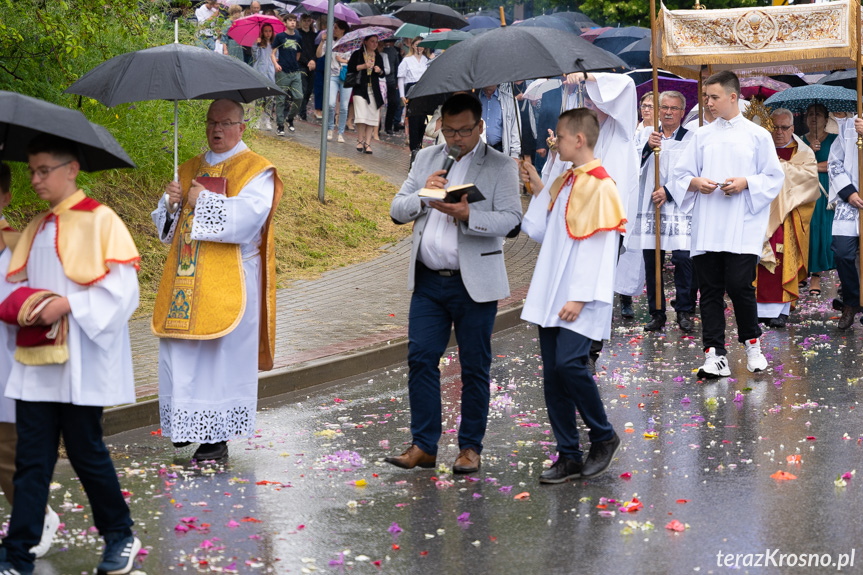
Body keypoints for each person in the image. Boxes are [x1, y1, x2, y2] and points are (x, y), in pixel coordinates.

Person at [0, 135, 142, 575]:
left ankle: (121, 536)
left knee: (87, 453)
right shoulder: (36, 227)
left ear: (71, 169)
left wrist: (69, 304)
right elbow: (13, 284)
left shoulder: (102, 221)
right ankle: (18, 553)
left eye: (44, 171)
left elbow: (123, 293)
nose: (36, 180)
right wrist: (23, 306)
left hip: (80, 360)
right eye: (32, 172)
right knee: (32, 460)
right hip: (37, 361)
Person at [385, 93, 522, 473]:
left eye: (463, 131)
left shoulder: (499, 166)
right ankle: (423, 445)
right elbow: (398, 210)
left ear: (480, 127)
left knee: (474, 366)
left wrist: (468, 214)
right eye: (448, 130)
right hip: (429, 281)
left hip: (473, 284)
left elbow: (512, 220)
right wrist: (424, 195)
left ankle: (469, 448)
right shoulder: (428, 157)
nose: (455, 138)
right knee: (421, 359)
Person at [151, 99, 283, 461]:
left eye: (225, 123)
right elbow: (167, 231)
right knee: (179, 352)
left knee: (217, 358)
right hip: (186, 276)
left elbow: (249, 220)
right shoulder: (190, 165)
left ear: (242, 127)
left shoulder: (257, 169)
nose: (217, 130)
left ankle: (215, 439)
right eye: (211, 122)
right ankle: (184, 424)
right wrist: (173, 204)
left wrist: (203, 199)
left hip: (231, 277)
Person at [520, 108, 623, 483]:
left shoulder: (601, 185)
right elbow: (545, 233)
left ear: (579, 139)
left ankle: (603, 435)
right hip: (553, 291)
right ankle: (568, 454)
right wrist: (536, 187)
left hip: (580, 297)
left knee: (570, 365)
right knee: (554, 375)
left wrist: (579, 297)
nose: (554, 142)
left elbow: (598, 248)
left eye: (559, 137)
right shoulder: (565, 180)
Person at [669, 71, 785, 377]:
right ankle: (715, 355)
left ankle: (752, 345)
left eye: (714, 97)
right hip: (708, 221)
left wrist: (746, 182)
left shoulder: (757, 135)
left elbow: (774, 177)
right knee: (708, 290)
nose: (708, 103)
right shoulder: (701, 135)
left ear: (733, 97)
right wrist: (695, 182)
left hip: (741, 223)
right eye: (706, 97)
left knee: (739, 286)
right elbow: (680, 175)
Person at [543, 72, 640, 373]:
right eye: (584, 97)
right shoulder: (576, 134)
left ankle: (590, 350)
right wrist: (556, 151)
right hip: (573, 220)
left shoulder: (620, 128)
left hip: (607, 221)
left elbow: (626, 87)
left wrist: (587, 77)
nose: (588, 102)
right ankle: (570, 341)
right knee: (570, 280)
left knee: (597, 285)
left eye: (592, 97)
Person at [0, 164, 60, 564]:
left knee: (8, 455)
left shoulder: (16, 248)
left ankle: (40, 516)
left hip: (7, 367)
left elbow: (39, 304)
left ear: (5, 196)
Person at [629, 91, 696, 333]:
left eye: (674, 108)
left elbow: (692, 172)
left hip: (679, 205)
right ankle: (657, 313)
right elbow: (632, 164)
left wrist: (668, 190)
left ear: (682, 112)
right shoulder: (647, 135)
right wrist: (648, 147)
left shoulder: (691, 138)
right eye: (664, 107)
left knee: (682, 259)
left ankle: (684, 310)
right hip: (651, 206)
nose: (668, 112)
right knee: (652, 261)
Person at [754, 108, 820, 328]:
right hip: (760, 213)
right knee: (757, 262)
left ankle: (781, 310)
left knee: (783, 260)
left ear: (793, 129)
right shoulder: (761, 150)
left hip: (788, 217)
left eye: (784, 127)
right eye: (775, 127)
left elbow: (809, 182)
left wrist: (782, 169)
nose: (779, 132)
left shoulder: (804, 153)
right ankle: (756, 308)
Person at [827, 114, 863, 329]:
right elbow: (834, 162)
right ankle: (851, 301)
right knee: (842, 253)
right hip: (850, 201)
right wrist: (848, 192)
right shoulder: (849, 125)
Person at [801, 103, 837, 297]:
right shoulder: (799, 141)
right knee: (807, 229)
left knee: (822, 230)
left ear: (826, 119)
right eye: (810, 114)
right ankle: (801, 271)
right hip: (804, 190)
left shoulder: (834, 140)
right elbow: (793, 166)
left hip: (826, 191)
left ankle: (816, 275)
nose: (814, 118)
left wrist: (811, 164)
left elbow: (835, 164)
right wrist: (809, 155)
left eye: (818, 114)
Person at [347, 35, 385, 154]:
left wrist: (379, 71)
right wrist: (364, 66)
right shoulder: (357, 54)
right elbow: (350, 68)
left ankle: (368, 143)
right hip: (360, 89)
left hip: (374, 89)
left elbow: (383, 74)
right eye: (372, 41)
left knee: (372, 117)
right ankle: (360, 140)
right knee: (361, 115)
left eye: (376, 42)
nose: (375, 44)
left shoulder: (378, 56)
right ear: (366, 42)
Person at [318, 20, 351, 143]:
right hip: (332, 75)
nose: (334, 30)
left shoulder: (349, 44)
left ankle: (341, 132)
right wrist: (322, 41)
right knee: (331, 104)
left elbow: (352, 62)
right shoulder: (330, 42)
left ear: (342, 30)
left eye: (336, 28)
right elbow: (318, 54)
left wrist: (341, 60)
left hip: (345, 76)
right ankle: (330, 128)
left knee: (344, 106)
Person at [398, 37, 430, 164]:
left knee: (422, 121)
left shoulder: (426, 60)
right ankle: (413, 149)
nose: (419, 48)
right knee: (413, 121)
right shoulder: (407, 60)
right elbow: (401, 77)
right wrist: (402, 95)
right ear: (412, 46)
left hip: (423, 92)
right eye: (417, 45)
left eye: (422, 45)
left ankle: (419, 146)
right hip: (411, 91)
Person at [272, 13, 303, 136]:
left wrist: (293, 62)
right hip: (282, 71)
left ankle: (290, 118)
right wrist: (276, 64)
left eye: (294, 20)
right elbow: (273, 53)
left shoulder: (298, 37)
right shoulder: (280, 36)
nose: (292, 23)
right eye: (290, 20)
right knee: (280, 99)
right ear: (285, 23)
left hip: (295, 71)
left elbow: (298, 54)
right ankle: (280, 125)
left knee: (299, 97)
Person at [479, 84, 521, 158]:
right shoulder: (475, 98)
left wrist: (515, 154)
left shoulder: (510, 100)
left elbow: (515, 129)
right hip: (479, 150)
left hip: (499, 149)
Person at [253, 23, 277, 131]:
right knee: (259, 97)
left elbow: (276, 58)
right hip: (260, 72)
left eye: (270, 31)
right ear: (262, 32)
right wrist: (257, 46)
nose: (268, 33)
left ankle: (267, 119)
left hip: (270, 73)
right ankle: (257, 119)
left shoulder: (274, 45)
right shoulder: (257, 43)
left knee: (270, 97)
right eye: (266, 31)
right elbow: (255, 57)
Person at [297, 13, 317, 122]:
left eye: (308, 21)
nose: (306, 23)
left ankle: (302, 110)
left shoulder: (314, 36)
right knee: (303, 88)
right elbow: (298, 51)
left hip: (312, 65)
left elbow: (317, 51)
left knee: (309, 89)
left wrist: (313, 60)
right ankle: (302, 112)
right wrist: (307, 61)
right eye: (304, 21)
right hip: (301, 64)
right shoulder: (297, 34)